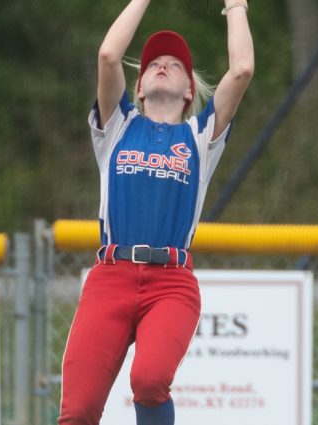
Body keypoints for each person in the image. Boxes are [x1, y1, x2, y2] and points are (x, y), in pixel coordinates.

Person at [58, 0, 253, 424]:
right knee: (78, 411)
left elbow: (241, 71)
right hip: (111, 277)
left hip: (171, 283)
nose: (163, 65)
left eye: (175, 64)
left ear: (189, 91)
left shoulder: (200, 137)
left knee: (149, 379)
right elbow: (109, 54)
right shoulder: (118, 126)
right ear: (140, 87)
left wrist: (236, 5)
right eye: (152, 64)